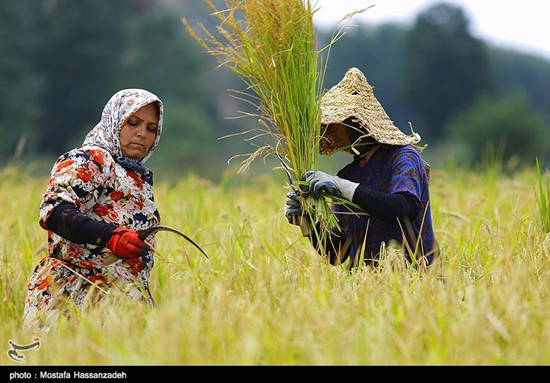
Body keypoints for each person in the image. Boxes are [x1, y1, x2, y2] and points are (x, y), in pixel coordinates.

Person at [22, 89, 163, 332]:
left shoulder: (135, 175)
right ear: (114, 121)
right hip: (72, 298)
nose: (142, 133)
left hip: (119, 304)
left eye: (151, 128)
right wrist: (108, 236)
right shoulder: (92, 159)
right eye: (133, 123)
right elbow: (55, 211)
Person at [285, 68, 438, 268]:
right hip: (367, 292)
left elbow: (404, 208)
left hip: (415, 284)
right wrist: (308, 221)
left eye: (337, 123)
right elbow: (337, 253)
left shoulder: (403, 158)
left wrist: (344, 188)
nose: (330, 131)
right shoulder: (349, 174)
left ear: (357, 122)